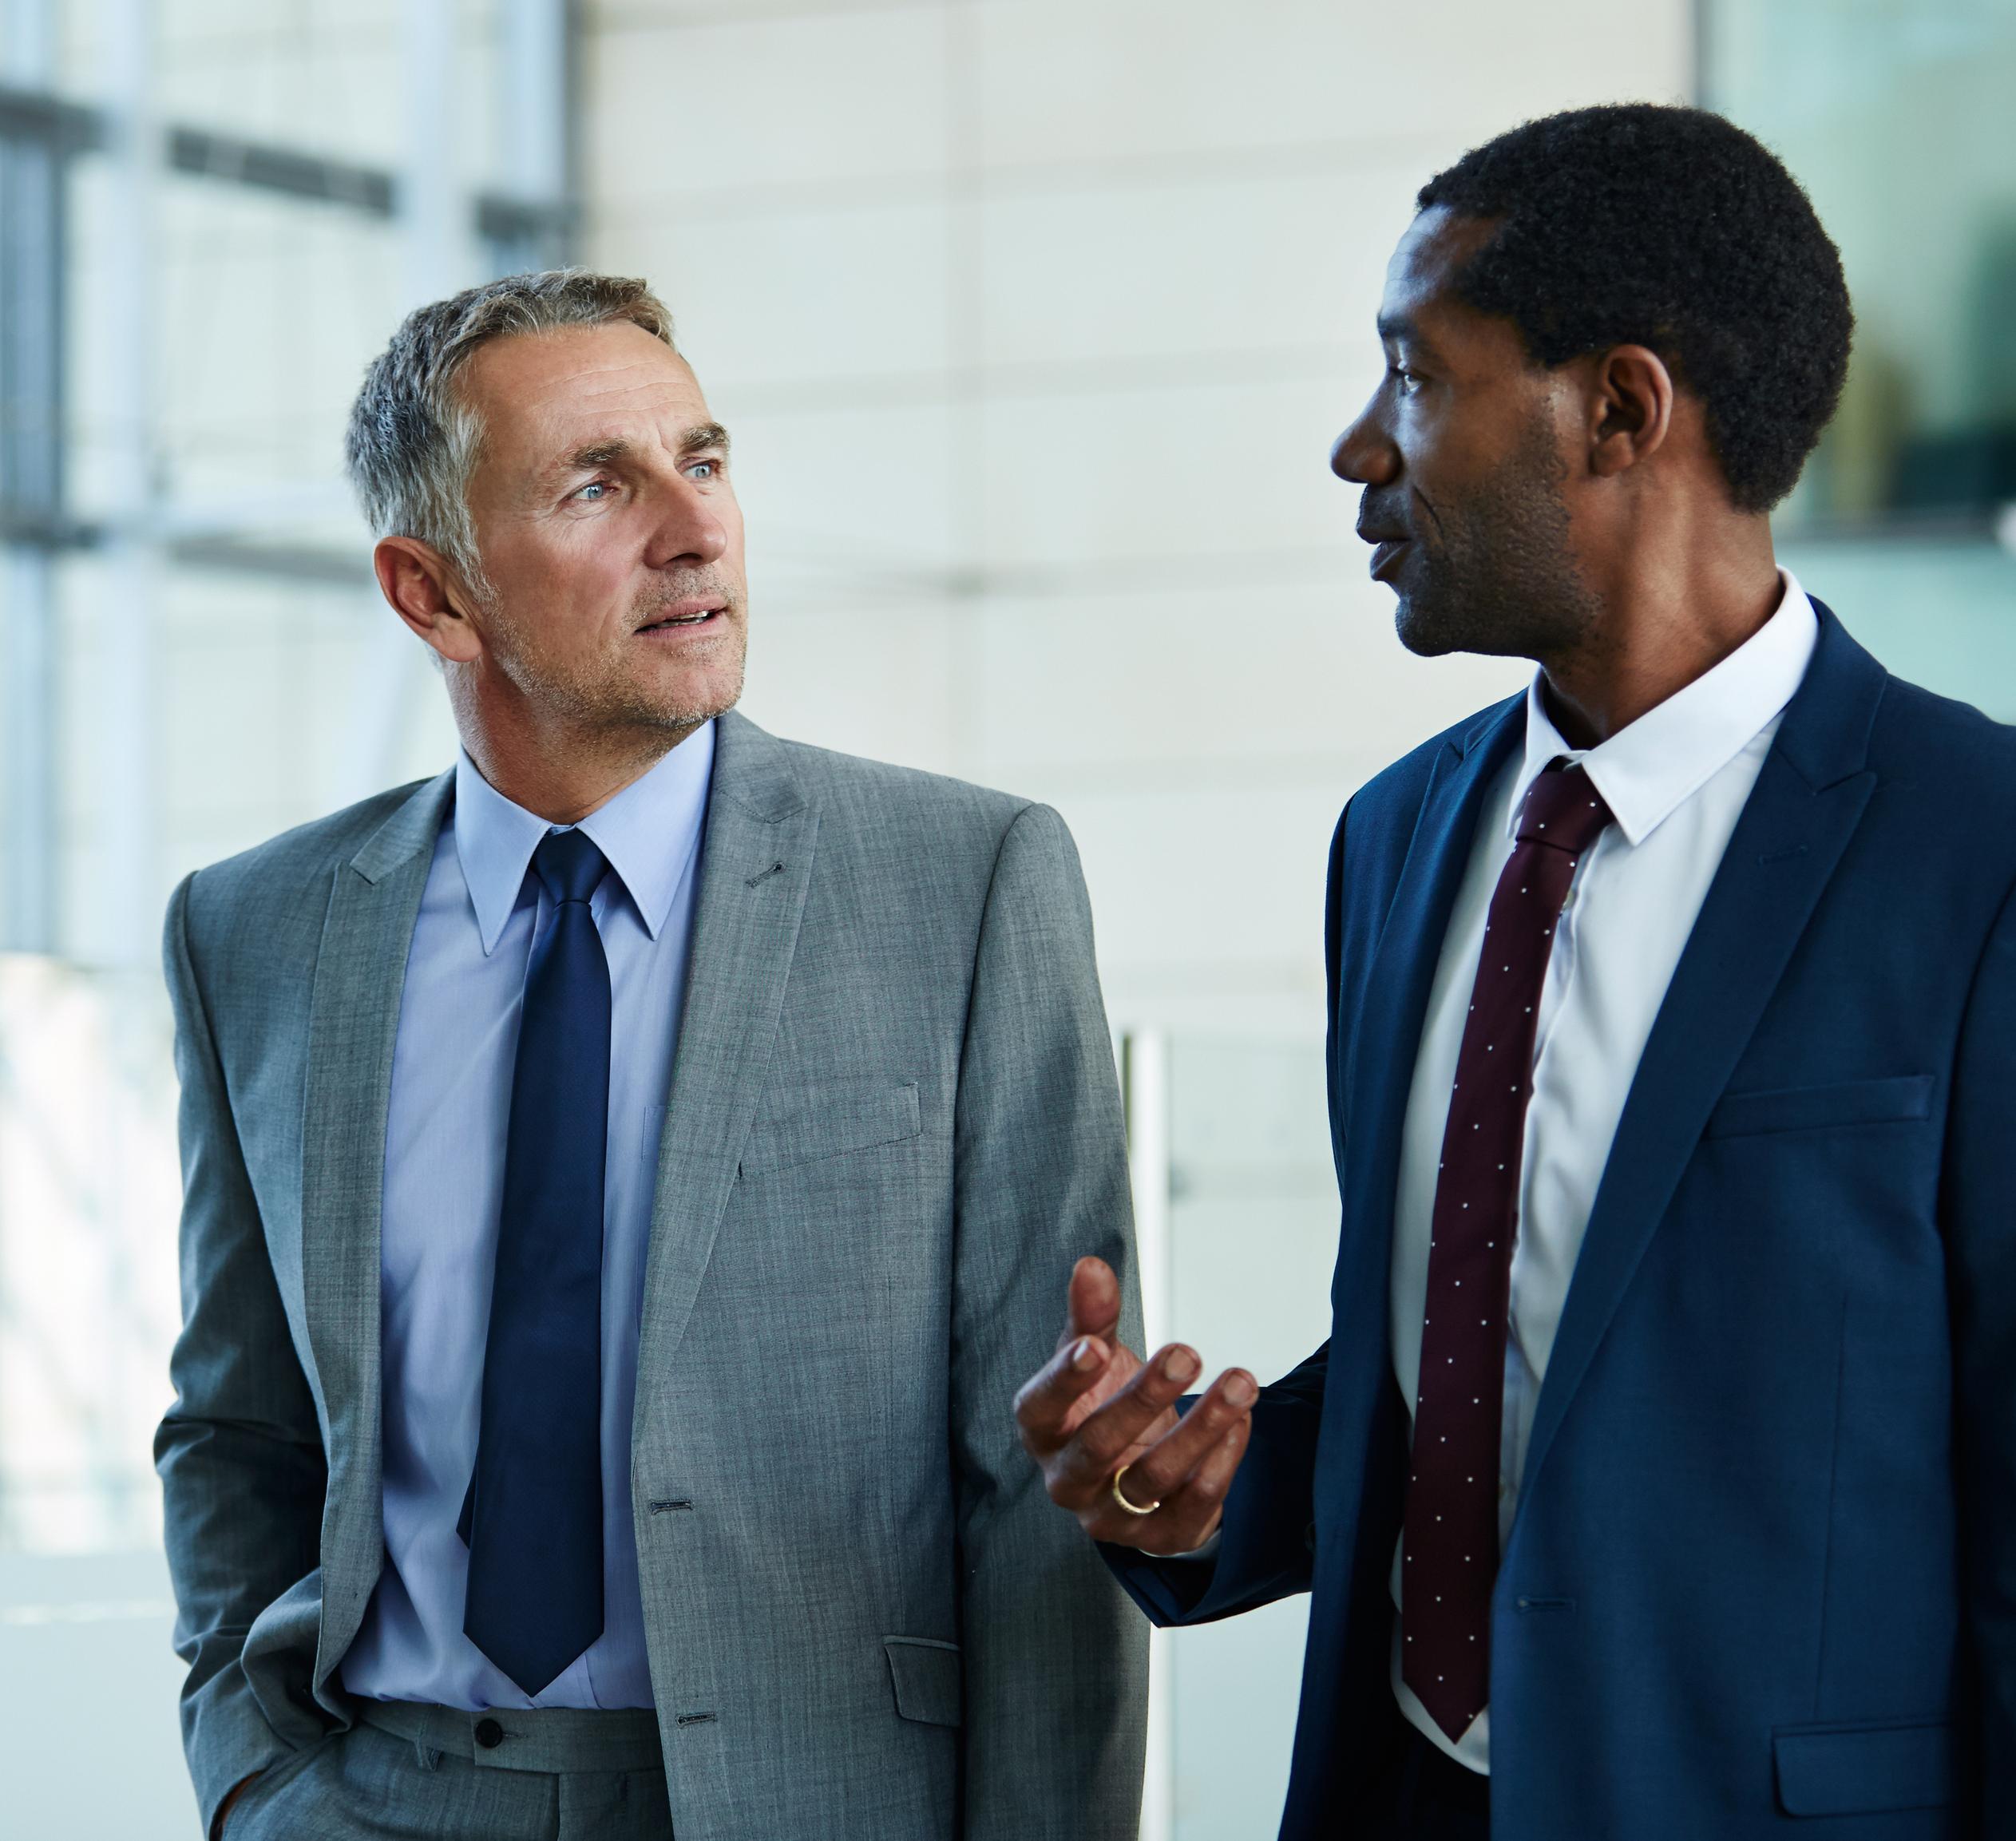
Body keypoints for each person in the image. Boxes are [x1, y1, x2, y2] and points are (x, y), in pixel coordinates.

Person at [1016, 103, 2014, 1840]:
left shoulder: (1979, 847)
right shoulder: (1395, 838)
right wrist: (1201, 1494)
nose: (1356, 449)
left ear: (1621, 409)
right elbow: (1474, 1358)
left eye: (1415, 375)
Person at [156, 270, 1147, 1841]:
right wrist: (257, 1788)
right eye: (597, 486)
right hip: (379, 1796)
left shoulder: (964, 887)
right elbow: (238, 1427)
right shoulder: (256, 932)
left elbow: (1038, 1498)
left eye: (702, 459)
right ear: (433, 593)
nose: (694, 533)